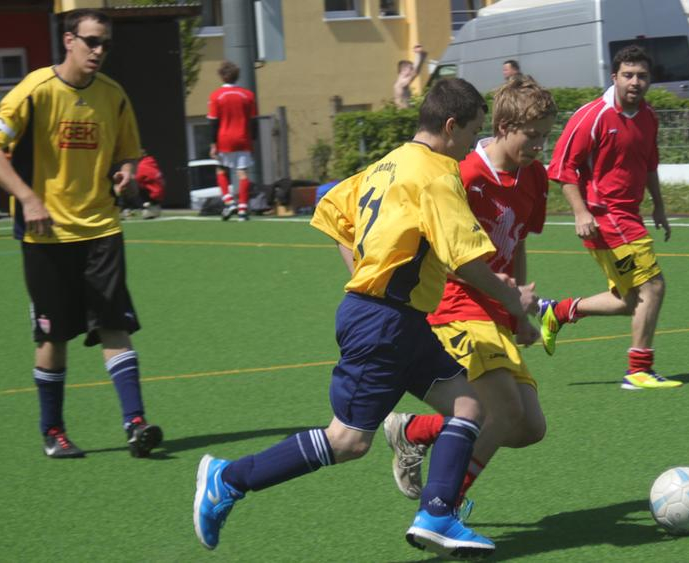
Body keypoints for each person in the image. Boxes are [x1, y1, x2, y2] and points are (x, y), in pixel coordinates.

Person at [192, 78, 540, 558]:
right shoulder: (439, 175)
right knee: (348, 441)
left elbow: (333, 209)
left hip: (401, 320)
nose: (472, 144)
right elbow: (465, 261)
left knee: (468, 406)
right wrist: (513, 299)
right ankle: (228, 478)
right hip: (384, 322)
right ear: (450, 125)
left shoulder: (388, 163)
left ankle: (437, 514)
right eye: (472, 131)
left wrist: (366, 273)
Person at [0, 8, 162, 458]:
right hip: (46, 235)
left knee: (115, 325)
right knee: (52, 336)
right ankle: (53, 431)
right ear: (69, 40)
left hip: (101, 229)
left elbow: (129, 152)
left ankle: (135, 424)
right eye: (92, 41)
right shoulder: (35, 90)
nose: (99, 51)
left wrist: (126, 172)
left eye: (106, 44)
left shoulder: (113, 95)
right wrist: (28, 198)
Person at [382, 76, 557, 518]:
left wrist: (516, 313)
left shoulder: (535, 176)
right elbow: (444, 253)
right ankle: (443, 508)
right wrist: (501, 293)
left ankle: (415, 431)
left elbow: (517, 244)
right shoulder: (463, 174)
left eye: (545, 136)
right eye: (531, 136)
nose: (539, 146)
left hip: (495, 310)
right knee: (504, 409)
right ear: (502, 127)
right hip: (454, 303)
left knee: (529, 427)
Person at [538, 45, 682, 391]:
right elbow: (561, 168)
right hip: (606, 218)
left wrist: (659, 206)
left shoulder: (648, 116)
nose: (635, 82)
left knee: (630, 300)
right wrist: (580, 212)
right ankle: (639, 370)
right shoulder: (593, 115)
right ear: (614, 77)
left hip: (629, 216)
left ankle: (559, 312)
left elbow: (649, 164)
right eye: (628, 75)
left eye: (642, 76)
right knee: (653, 286)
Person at [208, 60, 258, 221]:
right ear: (238, 76)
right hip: (243, 138)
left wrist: (213, 144)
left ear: (222, 76)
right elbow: (253, 121)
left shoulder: (216, 96)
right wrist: (253, 140)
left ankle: (229, 202)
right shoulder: (248, 95)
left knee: (221, 170)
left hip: (224, 139)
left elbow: (213, 122)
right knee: (242, 173)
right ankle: (243, 209)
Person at [122, 149, 164, 219]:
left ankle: (131, 209)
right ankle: (148, 207)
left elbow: (135, 178)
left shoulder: (143, 165)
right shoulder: (150, 162)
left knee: (126, 186)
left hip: (152, 195)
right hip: (157, 194)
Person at [393, 44, 428, 109]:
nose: (412, 70)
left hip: (405, 110)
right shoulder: (401, 82)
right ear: (403, 70)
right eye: (410, 68)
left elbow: (416, 71)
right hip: (403, 111)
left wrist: (421, 56)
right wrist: (418, 54)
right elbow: (415, 71)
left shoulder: (401, 80)